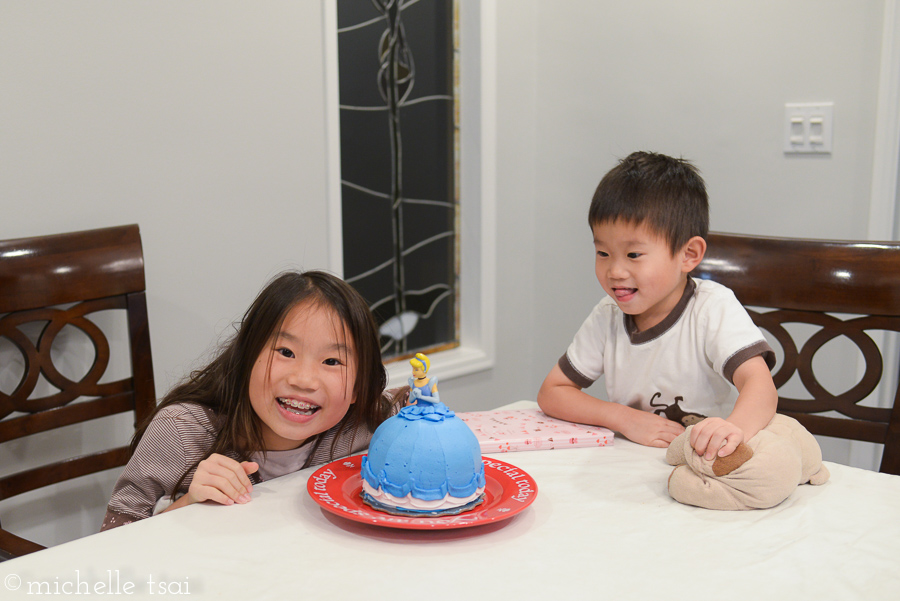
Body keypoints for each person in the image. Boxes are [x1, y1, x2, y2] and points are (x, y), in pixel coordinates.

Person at [102, 270, 401, 530]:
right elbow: (112, 541)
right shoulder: (182, 431)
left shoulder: (371, 426)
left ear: (359, 389)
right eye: (285, 352)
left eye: (332, 361)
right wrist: (188, 504)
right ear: (246, 357)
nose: (303, 380)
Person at [537, 151, 777, 459]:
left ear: (688, 254)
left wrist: (733, 429)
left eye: (633, 255)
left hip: (710, 461)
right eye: (603, 253)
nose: (615, 271)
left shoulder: (711, 308)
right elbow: (552, 393)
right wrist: (624, 417)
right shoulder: (607, 317)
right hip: (637, 465)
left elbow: (760, 384)